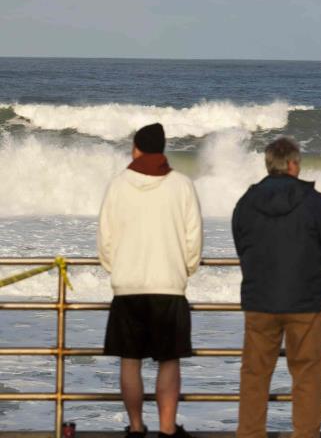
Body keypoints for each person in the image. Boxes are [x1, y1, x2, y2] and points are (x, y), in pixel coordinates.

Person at [98, 122, 202, 438]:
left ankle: (136, 427)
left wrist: (116, 269)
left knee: (130, 361)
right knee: (168, 362)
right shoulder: (182, 185)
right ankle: (168, 430)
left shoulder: (118, 185)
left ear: (136, 149)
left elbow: (105, 239)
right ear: (163, 149)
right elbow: (193, 239)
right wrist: (184, 271)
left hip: (128, 286)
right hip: (168, 286)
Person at [232, 137, 321, 438]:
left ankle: (250, 433)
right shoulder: (313, 201)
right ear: (293, 164)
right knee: (308, 374)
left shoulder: (247, 201)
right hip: (304, 299)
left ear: (269, 164)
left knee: (255, 375)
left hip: (259, 298)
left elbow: (241, 242)